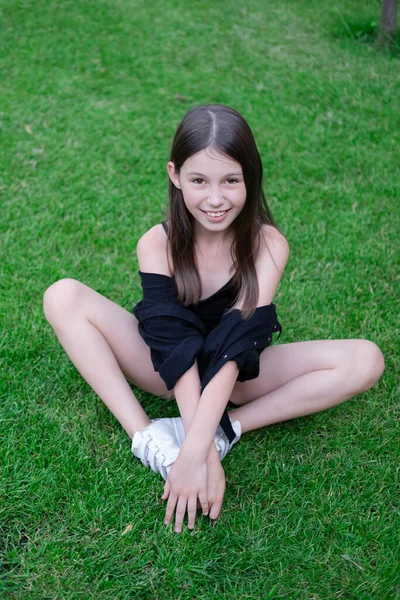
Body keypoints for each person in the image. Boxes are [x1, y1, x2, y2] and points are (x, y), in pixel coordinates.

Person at [43, 104, 385, 534]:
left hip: (237, 377)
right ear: (175, 175)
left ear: (250, 178)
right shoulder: (156, 243)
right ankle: (146, 436)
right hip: (165, 369)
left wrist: (203, 444)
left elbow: (237, 341)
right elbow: (171, 340)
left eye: (231, 181)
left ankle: (230, 430)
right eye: (199, 180)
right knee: (63, 295)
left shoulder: (268, 244)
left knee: (366, 359)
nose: (216, 199)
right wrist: (187, 450)